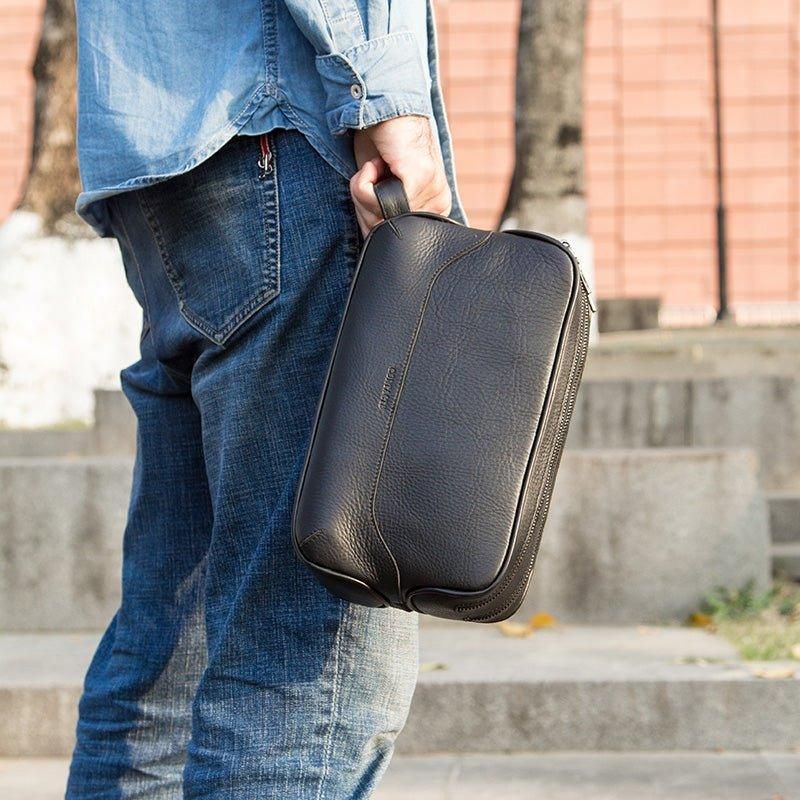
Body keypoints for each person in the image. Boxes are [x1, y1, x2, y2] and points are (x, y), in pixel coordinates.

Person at [65, 1, 465, 798]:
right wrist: (385, 99)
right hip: (280, 140)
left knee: (168, 659)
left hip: (165, 163)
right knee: (305, 670)